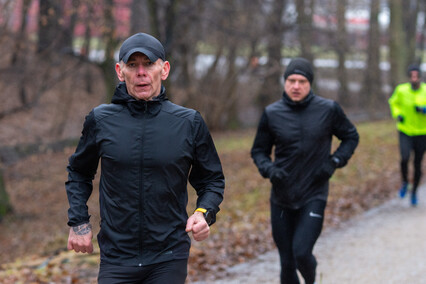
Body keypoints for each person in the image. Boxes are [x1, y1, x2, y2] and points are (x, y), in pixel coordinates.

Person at [65, 32, 225, 283]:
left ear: (164, 69)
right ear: (120, 71)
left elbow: (212, 180)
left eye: (149, 64)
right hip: (116, 257)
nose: (141, 72)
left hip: (168, 255)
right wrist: (78, 223)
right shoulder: (101, 119)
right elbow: (79, 172)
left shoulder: (188, 122)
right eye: (132, 65)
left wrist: (203, 212)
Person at [251, 57, 359, 284]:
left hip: (314, 194)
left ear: (310, 83)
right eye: (291, 80)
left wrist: (334, 162)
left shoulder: (328, 109)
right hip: (281, 197)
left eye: (302, 81)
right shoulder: (272, 113)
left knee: (301, 253)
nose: (296, 86)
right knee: (287, 262)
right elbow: (259, 151)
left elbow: (351, 137)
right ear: (285, 82)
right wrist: (269, 170)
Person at [388, 63, 426, 206]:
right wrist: (398, 114)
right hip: (405, 130)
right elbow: (393, 102)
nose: (414, 78)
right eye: (412, 76)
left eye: (416, 75)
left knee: (417, 163)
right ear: (409, 77)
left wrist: (424, 110)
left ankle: (414, 192)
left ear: (420, 77)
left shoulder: (425, 91)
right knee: (404, 158)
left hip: (422, 132)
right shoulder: (401, 90)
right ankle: (405, 183)